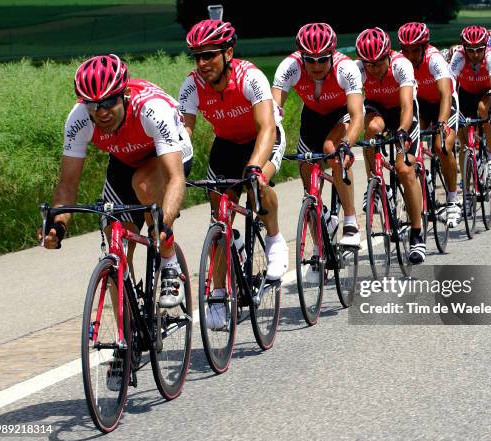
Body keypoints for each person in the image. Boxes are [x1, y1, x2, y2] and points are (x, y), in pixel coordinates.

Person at [39, 54, 193, 309]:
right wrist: (58, 225)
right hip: (124, 160)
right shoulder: (79, 119)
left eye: (109, 102)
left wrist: (163, 226)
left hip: (168, 153)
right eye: (93, 104)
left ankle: (169, 262)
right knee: (115, 246)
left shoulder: (151, 110)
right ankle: (129, 336)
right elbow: (67, 183)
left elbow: (175, 178)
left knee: (144, 185)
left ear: (124, 95)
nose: (101, 112)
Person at [179, 20, 288, 329]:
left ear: (228, 52)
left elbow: (267, 127)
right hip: (226, 145)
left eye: (209, 55)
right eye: (197, 56)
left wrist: (255, 166)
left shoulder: (250, 77)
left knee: (257, 184)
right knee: (220, 218)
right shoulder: (192, 85)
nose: (201, 63)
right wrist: (174, 171)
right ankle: (217, 291)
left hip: (262, 138)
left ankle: (275, 239)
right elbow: (183, 132)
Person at [272, 22, 364, 247]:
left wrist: (346, 144)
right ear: (301, 56)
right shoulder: (290, 66)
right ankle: (318, 252)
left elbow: (357, 115)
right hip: (312, 118)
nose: (316, 65)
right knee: (310, 191)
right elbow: (273, 113)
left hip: (341, 115)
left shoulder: (345, 68)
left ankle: (351, 221)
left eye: (323, 59)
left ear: (332, 54)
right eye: (310, 60)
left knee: (332, 152)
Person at [355, 27, 425, 263]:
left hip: (403, 113)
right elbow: (351, 107)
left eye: (378, 62)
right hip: (378, 110)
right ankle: (373, 185)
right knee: (371, 131)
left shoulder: (400, 65)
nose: (373, 69)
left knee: (405, 169)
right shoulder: (359, 70)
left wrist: (403, 132)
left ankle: (417, 234)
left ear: (388, 55)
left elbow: (406, 106)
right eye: (368, 64)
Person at [397, 22, 461, 228]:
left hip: (444, 102)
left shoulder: (434, 59)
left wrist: (442, 123)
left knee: (442, 146)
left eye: (415, 50)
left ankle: (453, 199)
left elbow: (445, 94)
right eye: (405, 50)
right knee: (409, 146)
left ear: (424, 47)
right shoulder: (400, 63)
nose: (410, 55)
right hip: (421, 105)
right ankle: (421, 183)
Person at [449, 25, 491, 183]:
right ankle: (465, 184)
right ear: (464, 47)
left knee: (483, 109)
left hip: (487, 91)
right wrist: (452, 109)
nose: (475, 54)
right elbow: (449, 85)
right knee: (464, 143)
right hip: (466, 93)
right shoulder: (458, 56)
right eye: (470, 50)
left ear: (485, 46)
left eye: (479, 49)